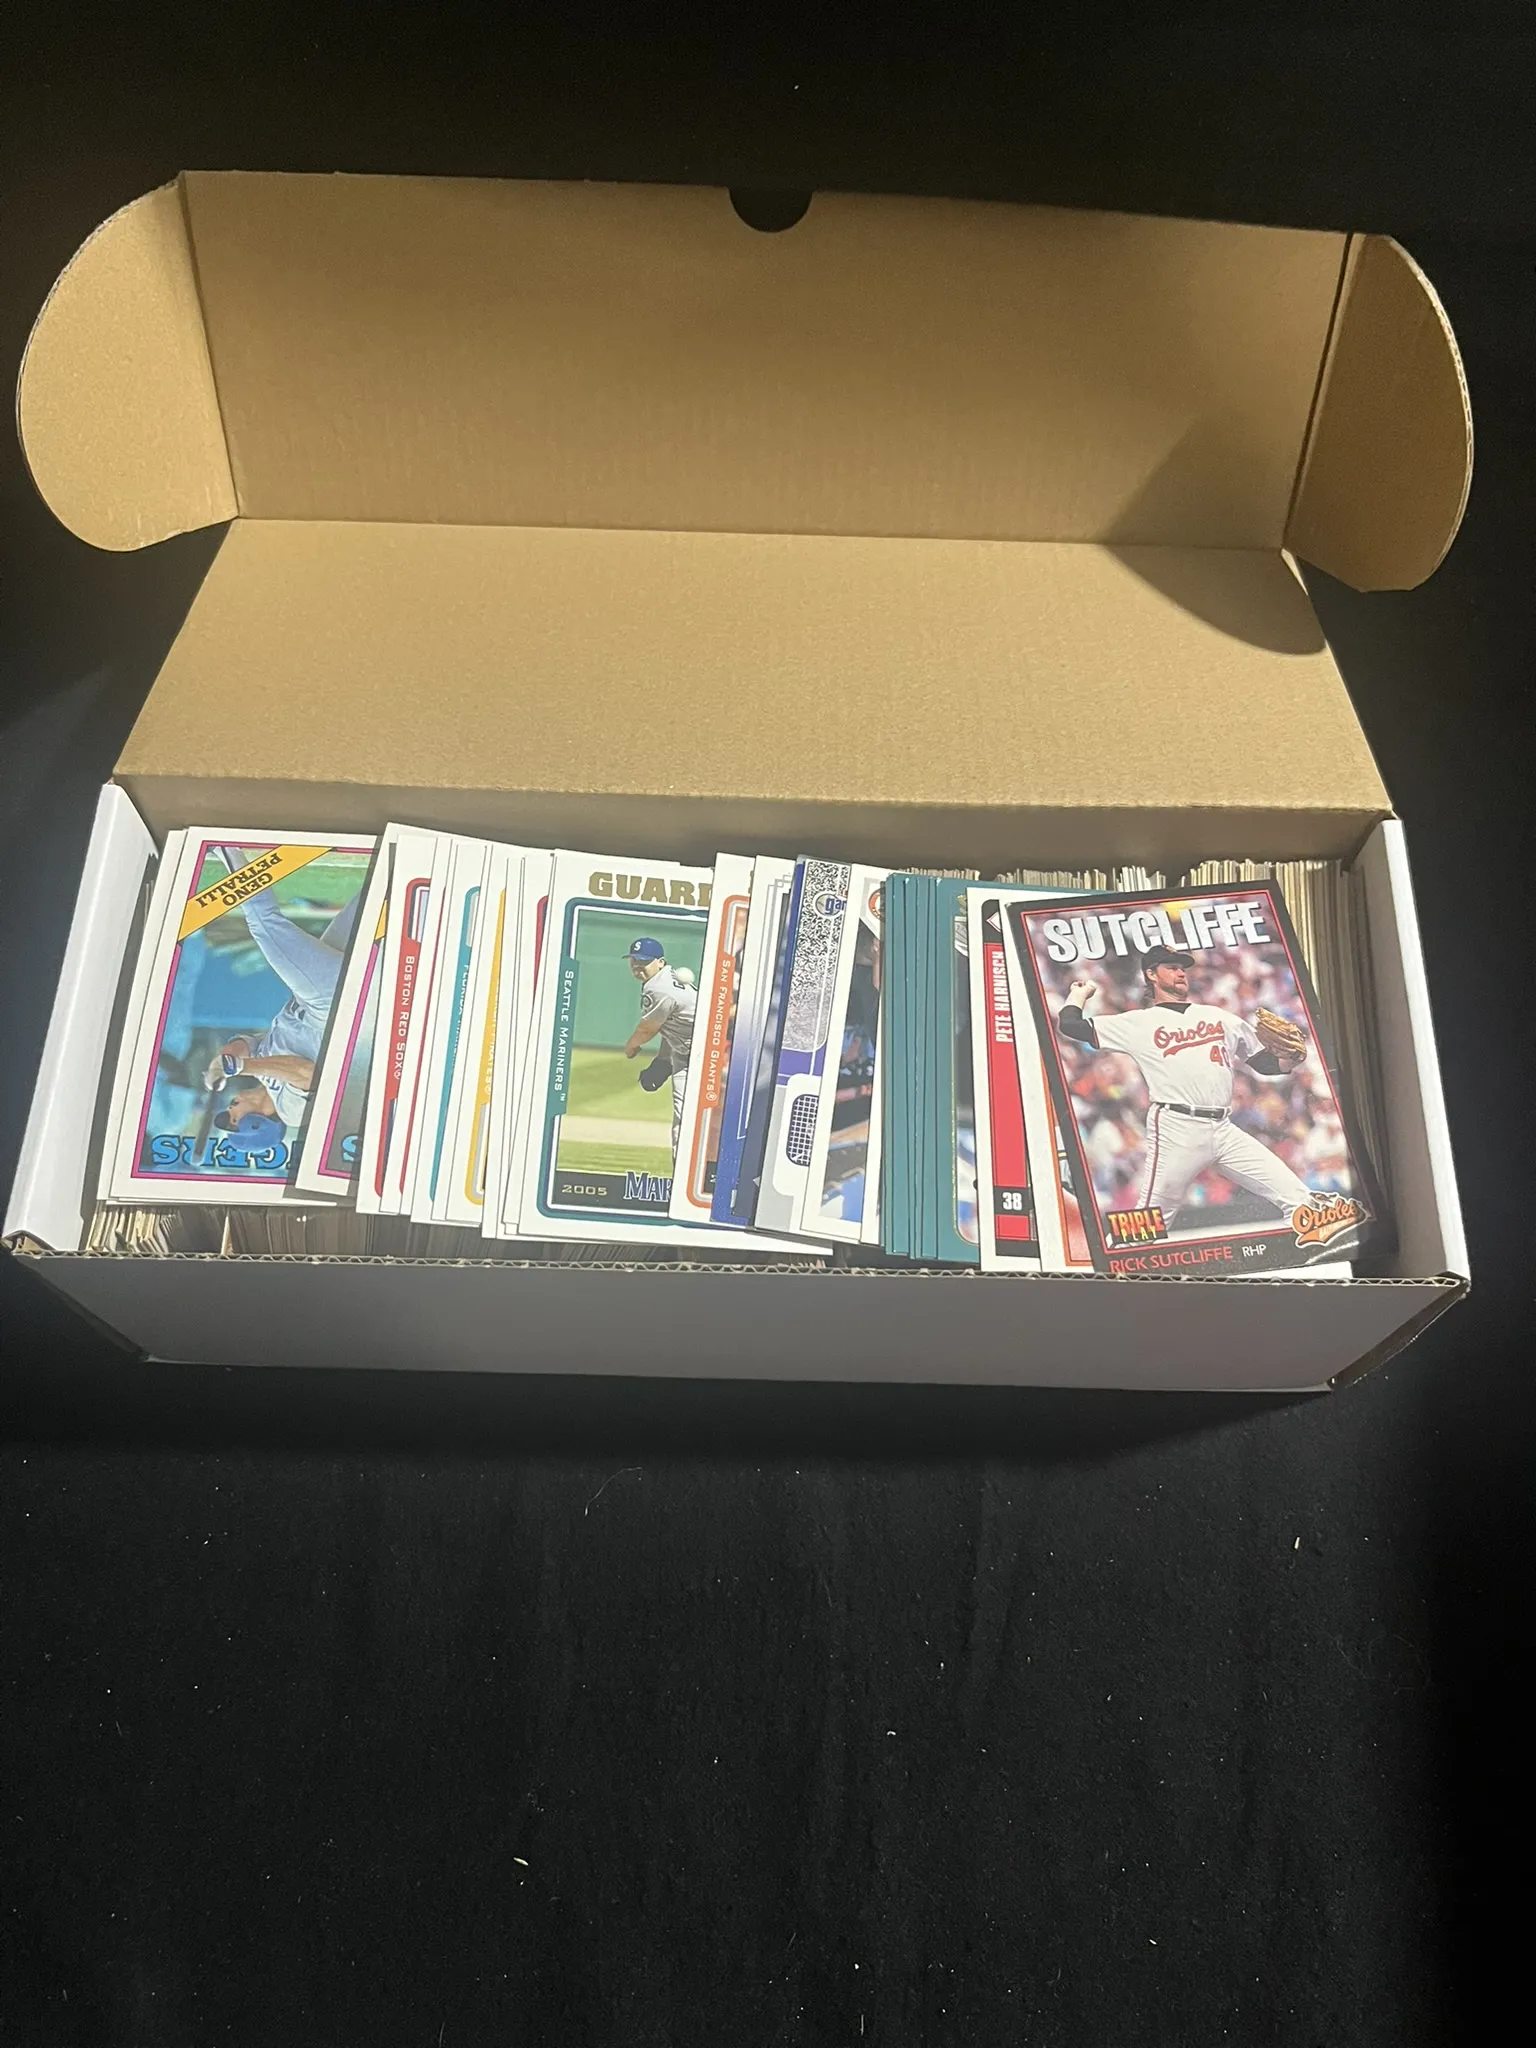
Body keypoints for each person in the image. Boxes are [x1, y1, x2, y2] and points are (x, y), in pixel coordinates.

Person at [1056, 944, 1313, 1222]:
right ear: (1151, 974)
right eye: (1171, 967)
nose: (1181, 973)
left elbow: (1264, 1064)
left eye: (1182, 968)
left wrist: (1290, 1059)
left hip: (1224, 1128)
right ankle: (1124, 1251)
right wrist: (1077, 995)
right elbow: (1071, 1025)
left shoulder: (1218, 1016)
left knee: (1297, 1195)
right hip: (1177, 1128)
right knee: (1150, 1221)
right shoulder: (1137, 1022)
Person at [202, 878, 361, 1137]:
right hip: (330, 1004)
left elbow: (244, 1045)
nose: (230, 1110)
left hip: (320, 994)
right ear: (258, 1124)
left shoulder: (264, 1071)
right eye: (233, 1120)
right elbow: (306, 1073)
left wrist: (220, 1063)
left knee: (375, 897)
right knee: (263, 922)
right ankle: (231, 856)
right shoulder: (291, 1113)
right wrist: (241, 1068)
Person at [621, 936, 698, 1157]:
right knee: (683, 1116)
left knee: (692, 1116)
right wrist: (664, 1059)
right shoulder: (665, 978)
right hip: (686, 1053)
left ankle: (694, 1166)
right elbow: (670, 1025)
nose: (638, 965)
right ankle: (682, 1166)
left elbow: (648, 1029)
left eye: (644, 961)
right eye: (634, 960)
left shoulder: (659, 988)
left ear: (660, 962)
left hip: (703, 1055)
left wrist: (630, 1046)